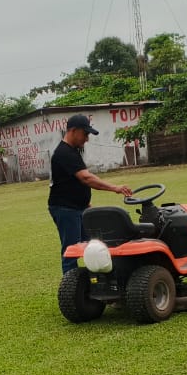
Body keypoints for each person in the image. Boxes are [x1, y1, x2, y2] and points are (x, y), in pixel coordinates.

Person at [47, 113, 131, 274]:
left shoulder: (72, 151)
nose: (87, 138)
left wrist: (85, 203)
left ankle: (95, 281)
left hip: (78, 208)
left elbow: (71, 181)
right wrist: (115, 188)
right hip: (66, 209)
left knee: (93, 245)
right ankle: (70, 286)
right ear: (73, 130)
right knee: (71, 250)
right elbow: (86, 178)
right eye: (85, 134)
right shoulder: (64, 153)